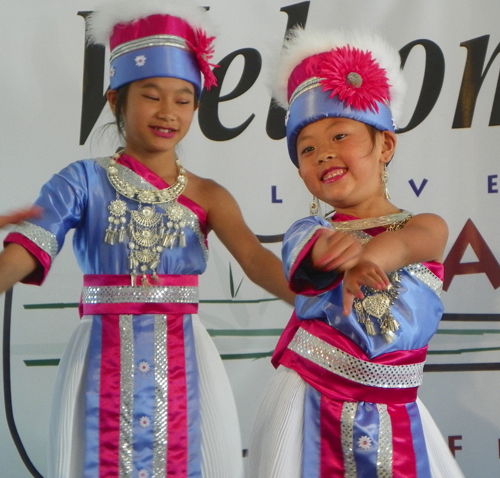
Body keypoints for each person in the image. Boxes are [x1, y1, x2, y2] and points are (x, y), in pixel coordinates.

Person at [0, 1, 294, 477]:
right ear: (116, 99)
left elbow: (256, 261)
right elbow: (25, 252)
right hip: (99, 355)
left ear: (197, 106)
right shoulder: (79, 182)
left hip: (187, 357)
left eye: (183, 99)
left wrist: (321, 302)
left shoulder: (208, 194)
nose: (168, 112)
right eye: (150, 95)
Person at [248, 29, 465, 477]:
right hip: (309, 400)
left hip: (397, 414)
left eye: (340, 135)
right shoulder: (311, 230)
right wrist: (331, 251)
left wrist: (371, 261)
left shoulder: (424, 225)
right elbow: (306, 257)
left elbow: (406, 243)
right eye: (307, 149)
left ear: (385, 144)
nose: (324, 154)